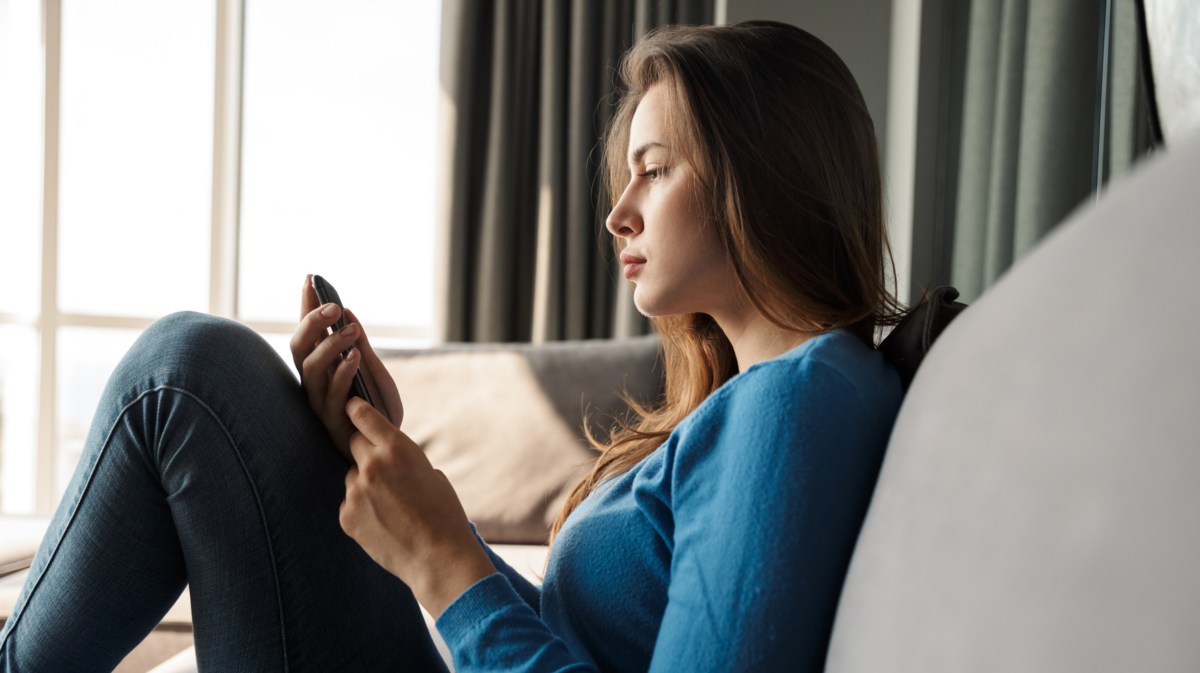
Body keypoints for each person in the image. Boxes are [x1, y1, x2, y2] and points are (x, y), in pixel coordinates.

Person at [0, 20, 906, 672]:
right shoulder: (771, 396)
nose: (617, 210)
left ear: (764, 177)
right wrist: (394, 463)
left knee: (187, 379)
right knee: (199, 376)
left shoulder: (799, 400)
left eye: (655, 170)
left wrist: (446, 563)